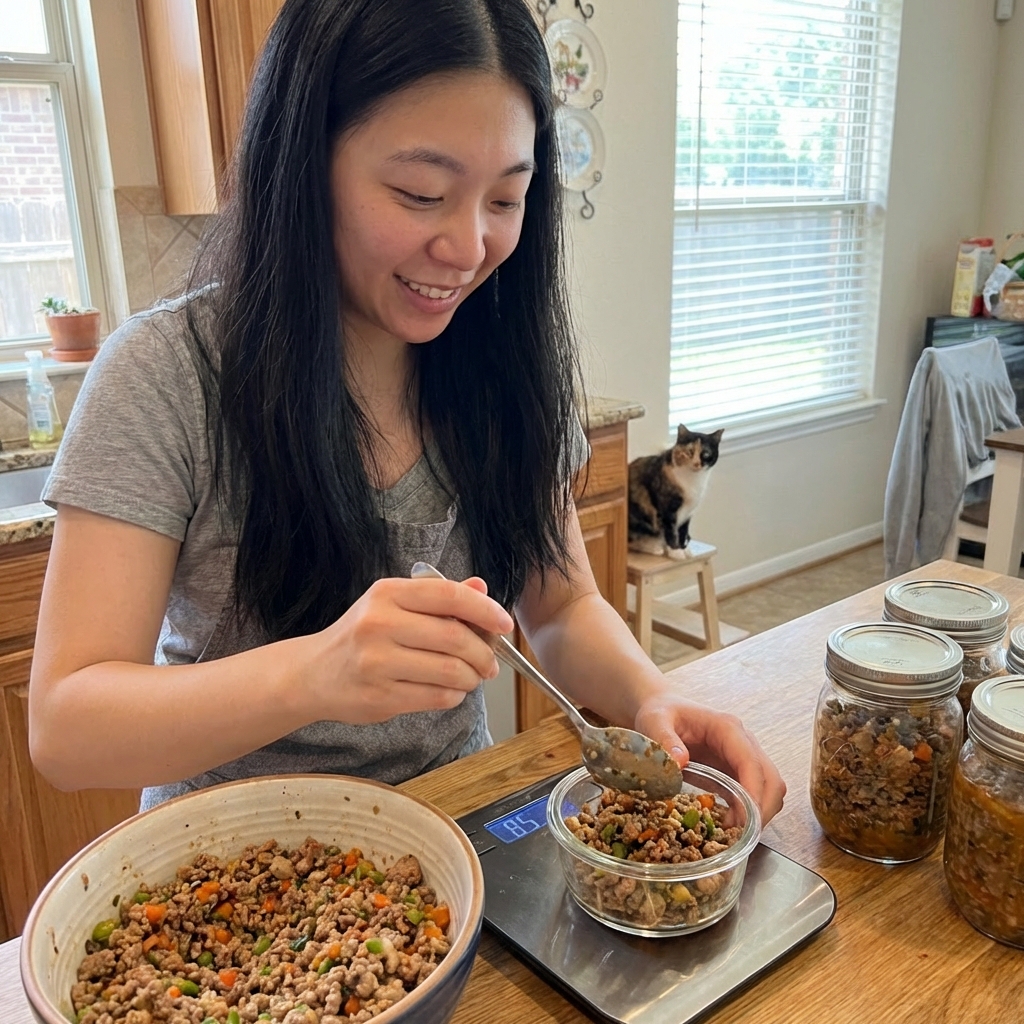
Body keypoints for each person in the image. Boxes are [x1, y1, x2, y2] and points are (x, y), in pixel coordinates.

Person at [28, 0, 785, 821]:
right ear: (304, 163)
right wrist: (315, 673)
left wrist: (650, 700)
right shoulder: (167, 374)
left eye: (505, 200)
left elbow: (560, 606)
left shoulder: (505, 361)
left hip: (454, 829)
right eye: (421, 193)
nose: (467, 251)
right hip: (226, 857)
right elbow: (68, 727)